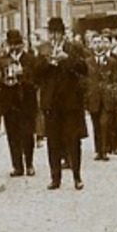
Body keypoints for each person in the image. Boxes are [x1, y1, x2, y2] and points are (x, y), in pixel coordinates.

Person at [33, 16, 87, 190]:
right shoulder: (43, 49)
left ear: (63, 34)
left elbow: (83, 68)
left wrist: (67, 59)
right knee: (53, 142)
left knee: (73, 140)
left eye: (58, 33)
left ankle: (77, 176)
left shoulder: (73, 48)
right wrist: (47, 63)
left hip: (70, 103)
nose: (55, 37)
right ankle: (55, 177)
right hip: (51, 104)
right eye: (52, 33)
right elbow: (35, 74)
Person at [0, 28, 38, 176]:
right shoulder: (2, 60)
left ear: (22, 44)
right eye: (11, 44)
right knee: (13, 135)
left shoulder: (30, 59)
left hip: (26, 101)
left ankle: (29, 164)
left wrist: (23, 73)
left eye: (17, 44)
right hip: (10, 102)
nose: (14, 47)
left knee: (27, 134)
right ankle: (17, 165)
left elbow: (35, 80)